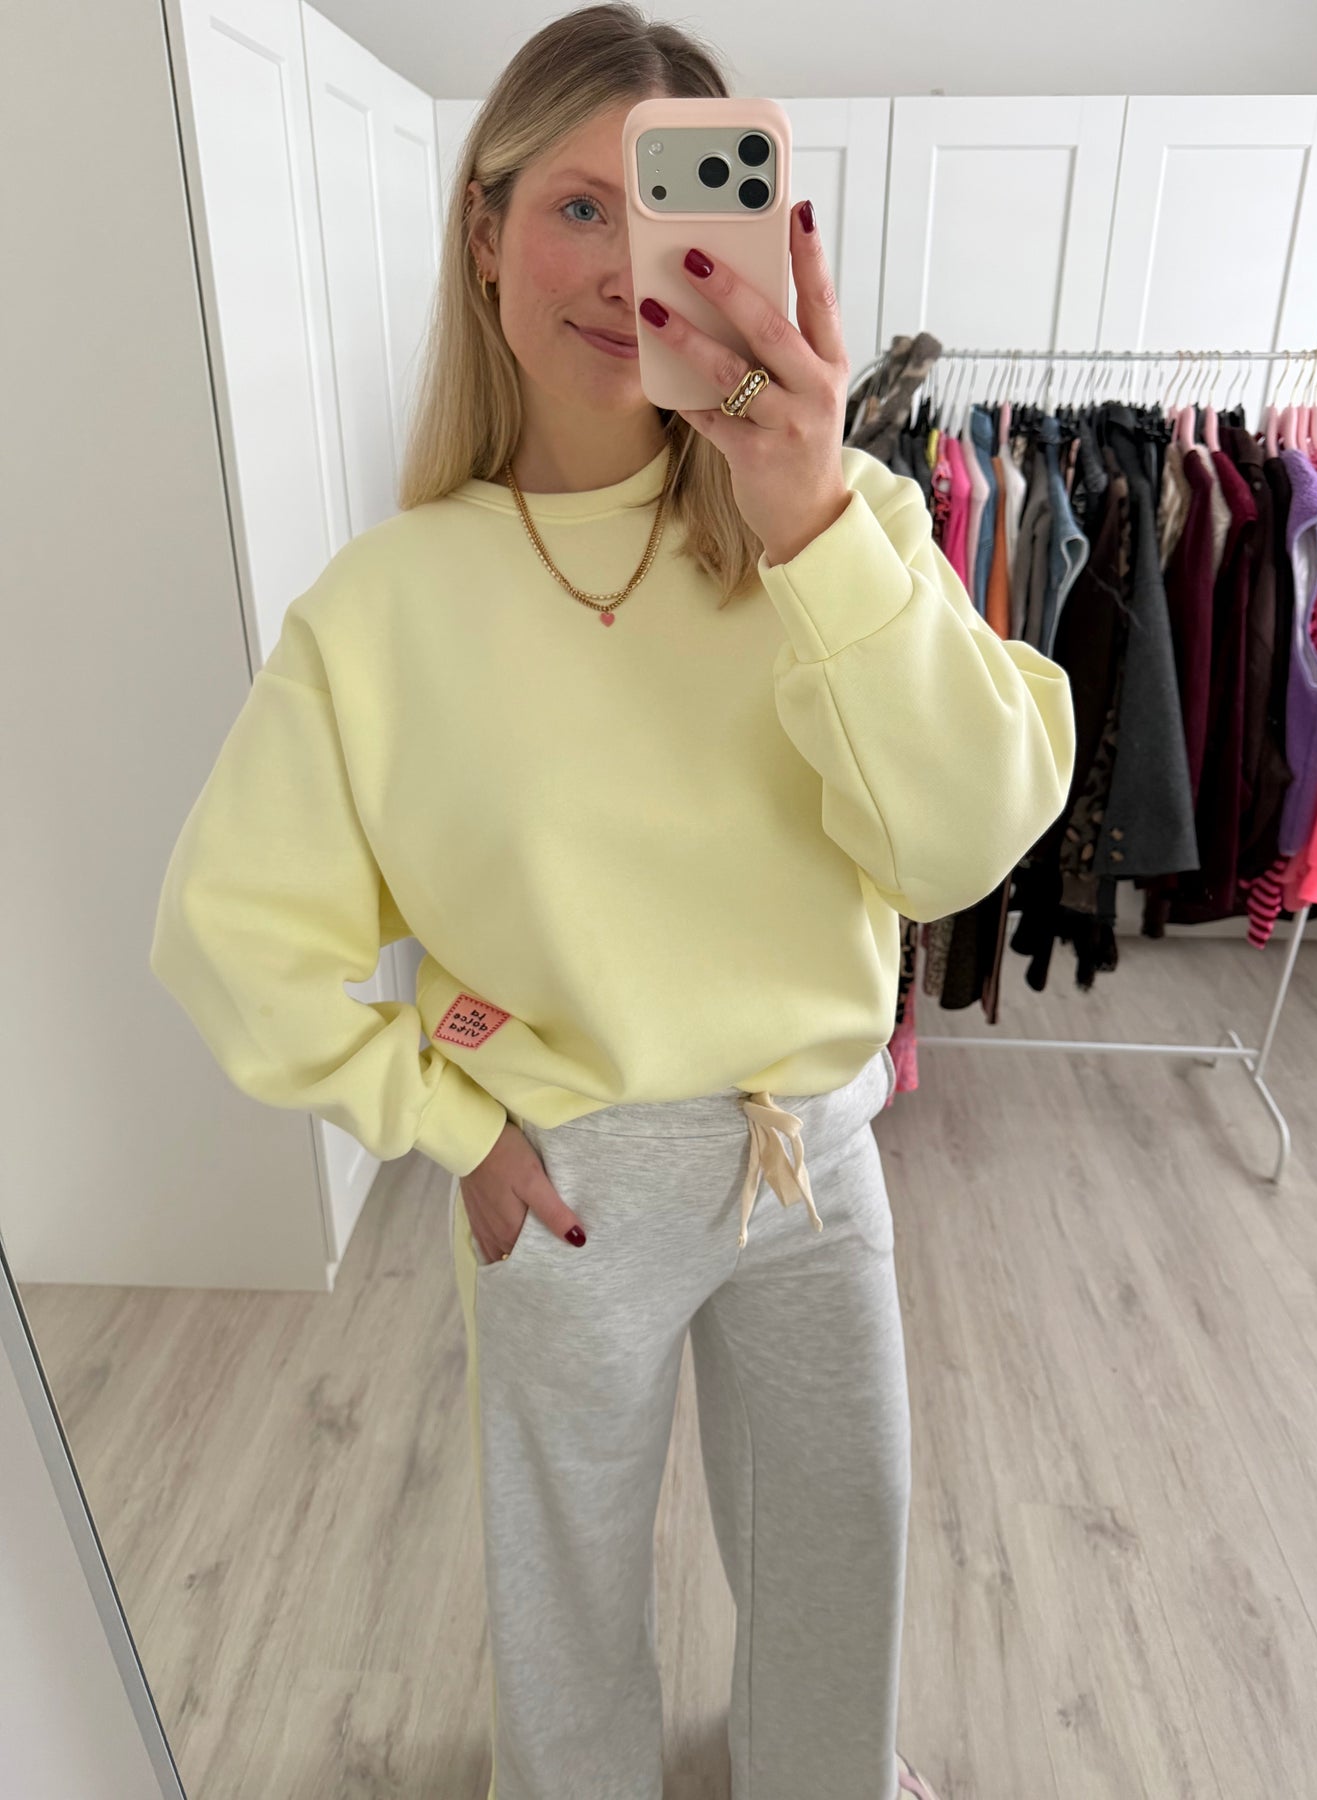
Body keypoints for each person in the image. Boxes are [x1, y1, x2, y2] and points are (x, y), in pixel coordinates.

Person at [149, 6, 1075, 1798]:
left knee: (842, 1543)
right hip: (567, 1174)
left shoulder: (845, 526)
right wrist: (451, 1102)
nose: (622, 268)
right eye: (578, 206)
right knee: (561, 1583)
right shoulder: (386, 605)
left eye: (674, 215)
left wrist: (804, 509)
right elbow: (241, 934)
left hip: (809, 1153)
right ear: (483, 233)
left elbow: (958, 845)